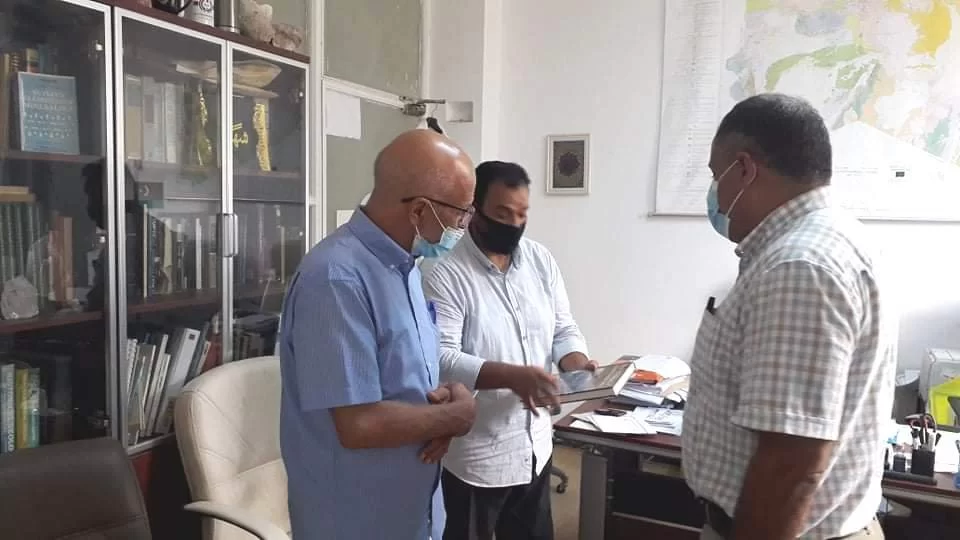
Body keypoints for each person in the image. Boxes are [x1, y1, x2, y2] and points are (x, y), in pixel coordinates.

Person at [682, 93, 896, 539]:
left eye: (715, 176)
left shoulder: (799, 267)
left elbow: (791, 464)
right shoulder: (835, 239)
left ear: (744, 169)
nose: (714, 192)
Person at [278, 129, 479, 540]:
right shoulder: (335, 279)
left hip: (411, 509)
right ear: (419, 210)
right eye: (462, 212)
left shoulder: (404, 267)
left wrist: (437, 411)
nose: (464, 224)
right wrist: (455, 416)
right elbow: (359, 423)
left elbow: (401, 378)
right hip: (357, 518)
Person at [423, 161, 594, 540]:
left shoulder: (540, 261)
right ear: (474, 210)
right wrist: (513, 377)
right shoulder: (445, 273)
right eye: (502, 214)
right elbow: (441, 358)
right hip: (478, 459)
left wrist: (576, 362)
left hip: (536, 447)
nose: (514, 224)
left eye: (522, 214)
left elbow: (563, 327)